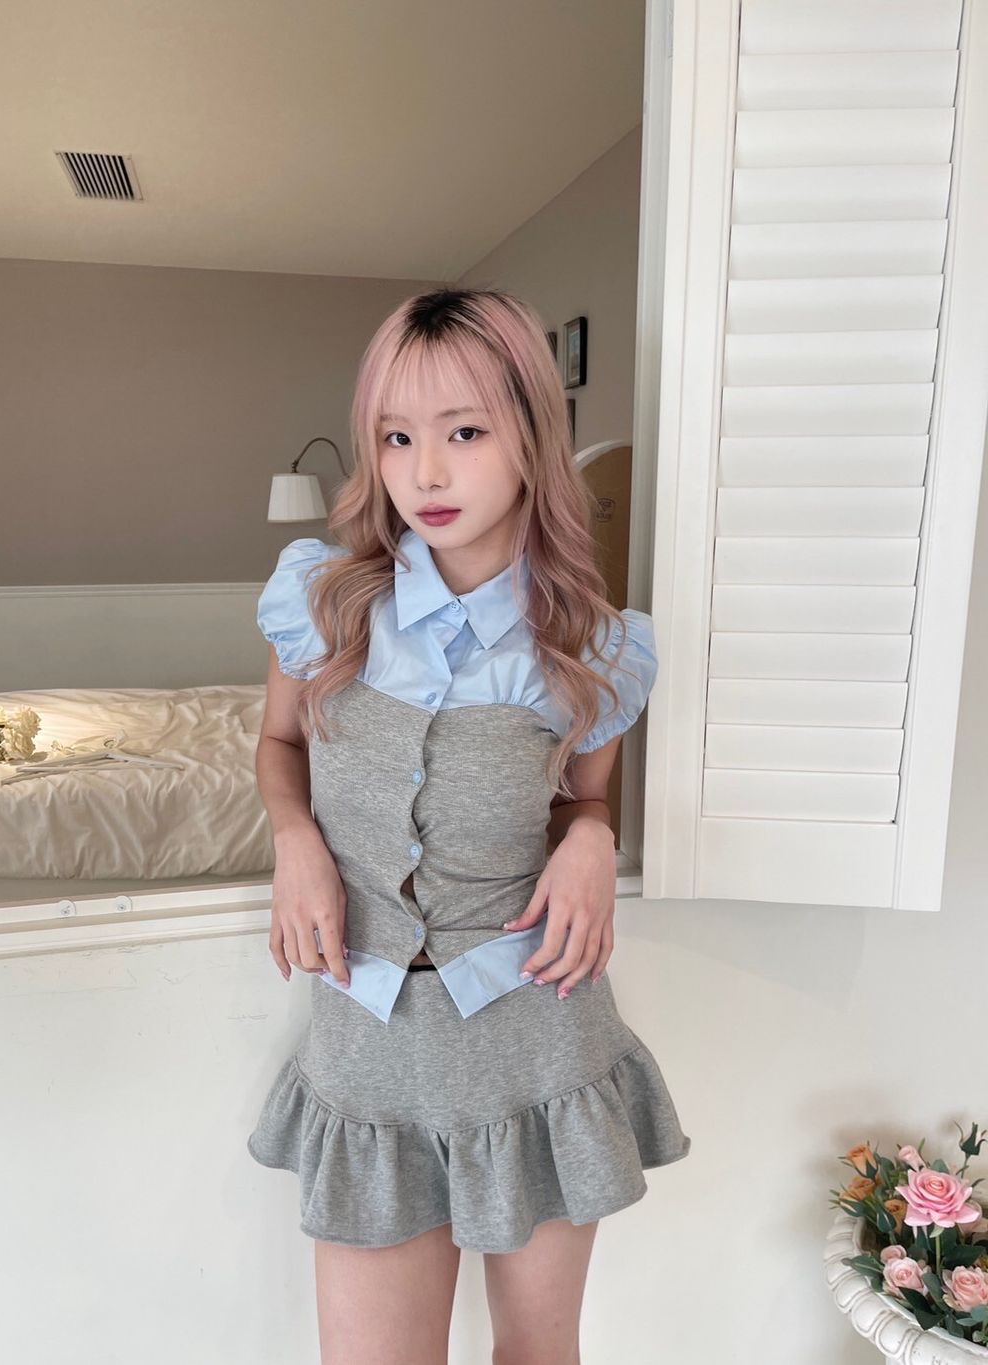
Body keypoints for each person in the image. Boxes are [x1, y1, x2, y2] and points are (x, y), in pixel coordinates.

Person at [247, 286, 691, 1365]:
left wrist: (591, 840)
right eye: (396, 437)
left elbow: (584, 796)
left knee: (537, 1354)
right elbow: (279, 743)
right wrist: (295, 840)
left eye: (464, 433)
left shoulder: (595, 649)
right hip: (368, 1046)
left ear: (530, 437)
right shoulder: (322, 602)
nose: (426, 475)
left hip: (534, 1038)